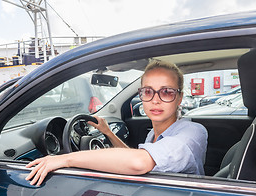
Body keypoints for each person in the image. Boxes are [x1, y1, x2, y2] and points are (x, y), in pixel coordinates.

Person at [25, 60, 208, 186]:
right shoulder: (155, 133)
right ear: (141, 95)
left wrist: (64, 159)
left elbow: (139, 163)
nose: (155, 100)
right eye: (148, 92)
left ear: (179, 98)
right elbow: (133, 157)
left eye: (167, 92)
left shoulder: (192, 132)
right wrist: (108, 133)